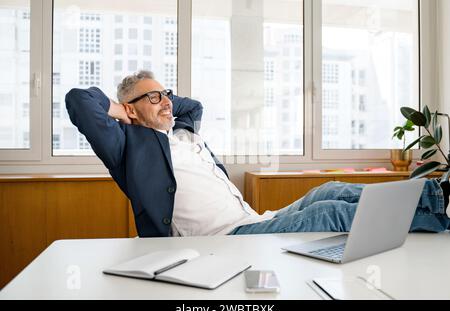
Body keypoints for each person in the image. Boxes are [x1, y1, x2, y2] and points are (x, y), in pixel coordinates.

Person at [65, 70, 450, 237]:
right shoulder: (126, 146)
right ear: (130, 108)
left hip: (252, 219)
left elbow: (191, 105)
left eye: (166, 93)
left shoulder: (183, 132)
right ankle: (442, 220)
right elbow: (79, 101)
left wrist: (156, 99)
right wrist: (125, 111)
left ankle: (439, 196)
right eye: (154, 97)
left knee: (329, 190)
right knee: (328, 213)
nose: (166, 101)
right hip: (225, 238)